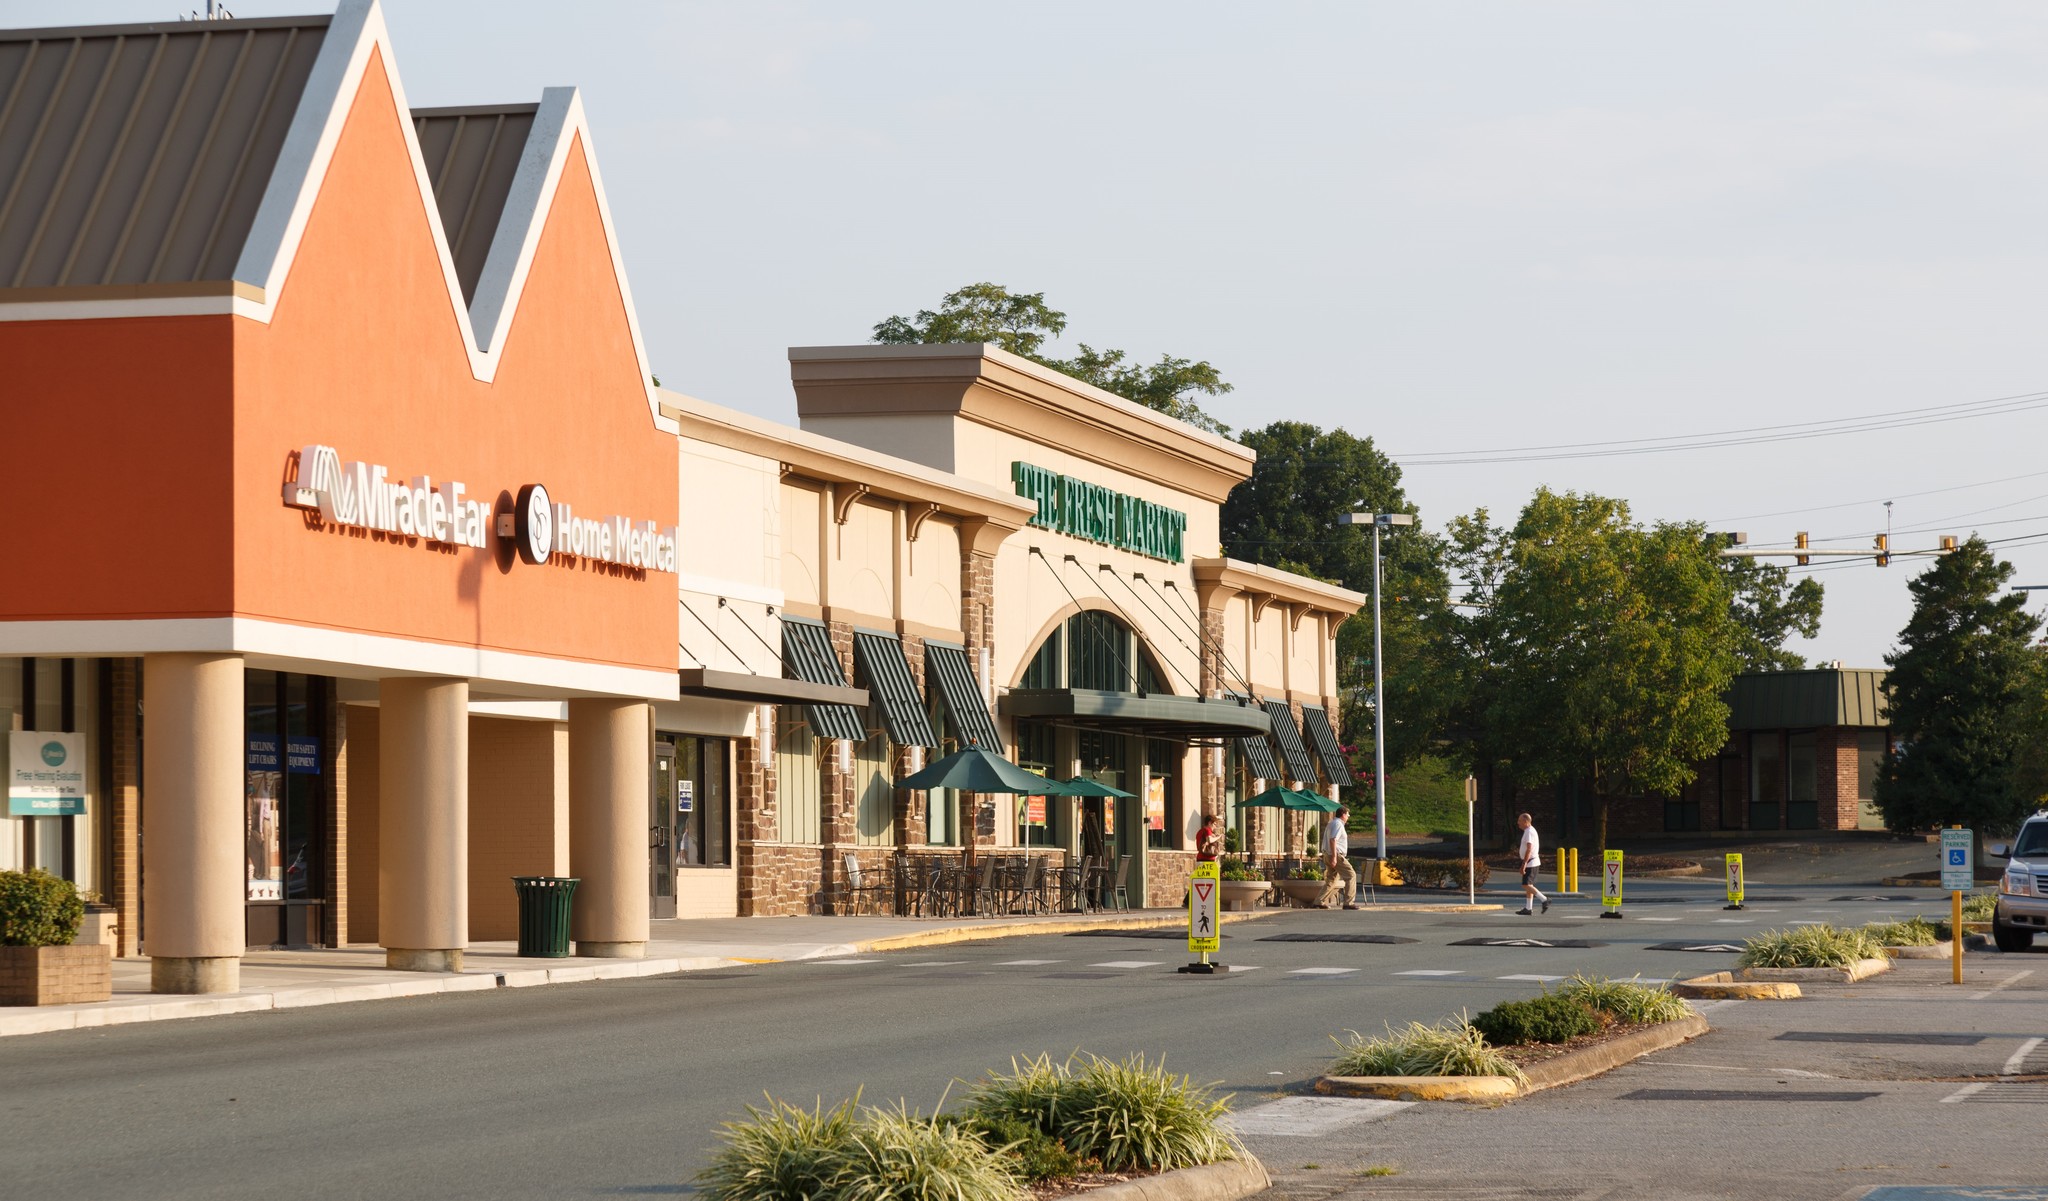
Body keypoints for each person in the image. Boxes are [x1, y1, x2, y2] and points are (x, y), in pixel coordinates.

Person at [1320, 805, 1359, 910]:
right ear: (1343, 814)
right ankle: (1348, 902)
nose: (1348, 816)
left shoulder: (1331, 823)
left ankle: (1319, 901)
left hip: (1327, 854)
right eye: (1347, 814)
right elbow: (1333, 840)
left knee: (1331, 879)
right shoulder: (1338, 824)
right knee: (1351, 875)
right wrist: (1334, 857)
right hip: (1336, 855)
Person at [1516, 812, 1549, 915]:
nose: (1518, 823)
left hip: (1531, 862)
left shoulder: (1529, 832)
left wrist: (1524, 863)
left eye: (1520, 821)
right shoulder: (1528, 830)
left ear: (1526, 821)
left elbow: (1529, 849)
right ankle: (1528, 908)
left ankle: (1544, 899)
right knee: (1529, 885)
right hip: (1532, 861)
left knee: (1526, 885)